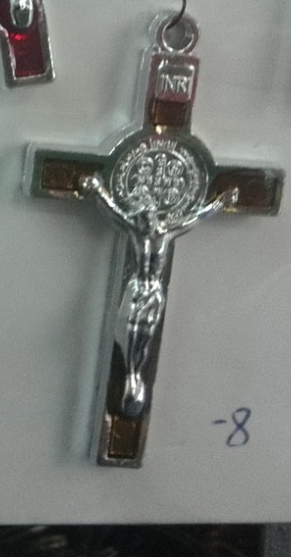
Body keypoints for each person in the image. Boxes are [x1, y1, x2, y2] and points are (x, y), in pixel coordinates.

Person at [80, 173, 236, 419]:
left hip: (153, 292)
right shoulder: (136, 232)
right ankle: (131, 375)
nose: (146, 221)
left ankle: (136, 375)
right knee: (131, 333)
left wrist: (220, 202)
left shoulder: (166, 233)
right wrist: (98, 190)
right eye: (142, 217)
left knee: (145, 337)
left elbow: (196, 217)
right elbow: (113, 212)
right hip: (139, 290)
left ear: (155, 216)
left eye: (148, 216)